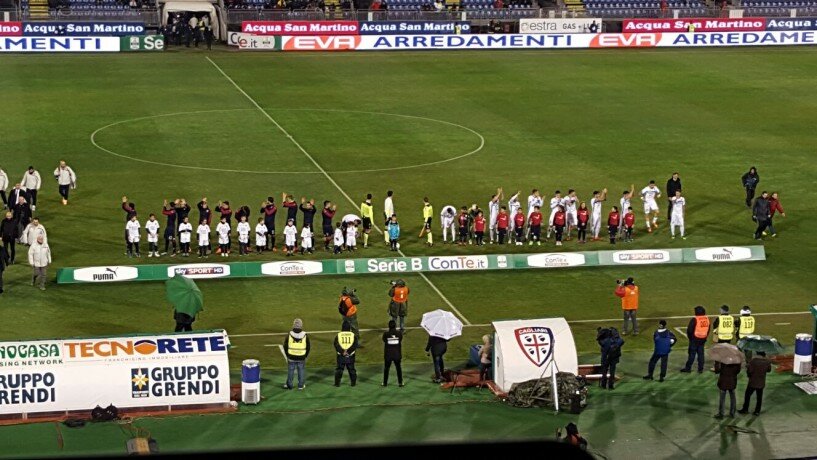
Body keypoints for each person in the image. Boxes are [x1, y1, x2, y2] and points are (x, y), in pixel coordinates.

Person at [738, 351, 771, 416]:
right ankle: (757, 411)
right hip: (761, 382)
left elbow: (750, 371)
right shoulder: (766, 362)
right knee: (759, 397)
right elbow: (768, 370)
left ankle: (745, 409)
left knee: (747, 395)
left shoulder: (753, 361)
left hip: (752, 382)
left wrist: (748, 372)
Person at [680, 305, 710, 373]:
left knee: (692, 354)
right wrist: (705, 336)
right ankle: (700, 369)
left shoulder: (695, 319)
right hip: (703, 339)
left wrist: (690, 338)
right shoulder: (706, 319)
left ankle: (688, 368)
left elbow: (690, 330)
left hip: (695, 339)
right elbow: (708, 329)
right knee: (701, 354)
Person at [283, 318, 310, 390]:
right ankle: (300, 386)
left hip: (291, 356)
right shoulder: (305, 335)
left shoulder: (289, 334)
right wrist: (305, 355)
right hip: (301, 356)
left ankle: (290, 386)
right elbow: (308, 346)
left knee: (290, 371)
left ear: (293, 325)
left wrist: (287, 354)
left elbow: (285, 345)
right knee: (301, 370)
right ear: (301, 325)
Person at [334, 321, 359, 387]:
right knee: (352, 370)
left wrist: (343, 352)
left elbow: (336, 345)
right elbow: (355, 345)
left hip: (341, 356)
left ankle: (337, 384)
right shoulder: (352, 335)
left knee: (339, 370)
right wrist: (348, 351)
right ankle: (353, 383)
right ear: (349, 328)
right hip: (350, 356)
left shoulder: (339, 335)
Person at [382, 320, 404, 387]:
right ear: (395, 326)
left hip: (388, 355)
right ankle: (400, 382)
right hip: (397, 354)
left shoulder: (386, 334)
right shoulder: (399, 333)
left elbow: (384, 340)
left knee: (386, 369)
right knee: (398, 368)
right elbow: (400, 339)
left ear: (389, 326)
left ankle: (385, 383)